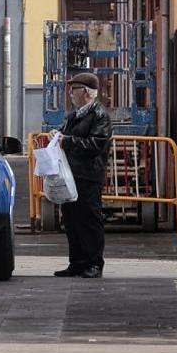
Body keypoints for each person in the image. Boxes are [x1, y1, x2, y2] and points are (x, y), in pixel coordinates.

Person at [52, 72, 112, 279]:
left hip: (88, 175)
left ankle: (94, 263)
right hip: (70, 175)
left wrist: (66, 141)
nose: (70, 93)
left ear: (86, 92)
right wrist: (57, 135)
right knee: (71, 219)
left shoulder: (100, 115)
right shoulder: (74, 114)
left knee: (89, 219)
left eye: (73, 89)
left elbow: (96, 144)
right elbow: (66, 133)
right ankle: (76, 263)